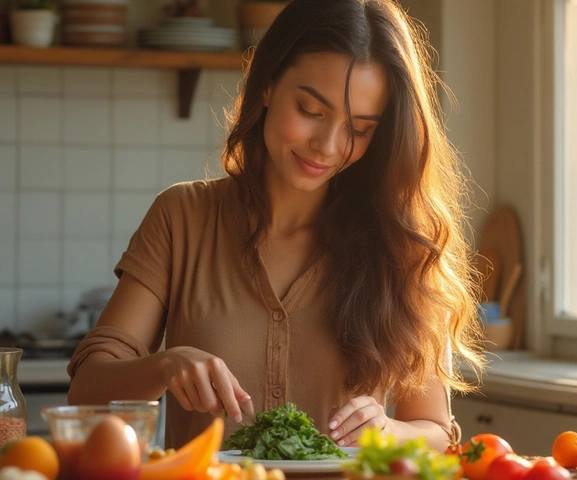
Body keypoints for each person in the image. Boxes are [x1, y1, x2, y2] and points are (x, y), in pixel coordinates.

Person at [67, 0, 486, 453]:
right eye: (310, 109)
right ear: (267, 85)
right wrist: (167, 365)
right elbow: (87, 387)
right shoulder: (182, 218)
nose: (329, 147)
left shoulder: (398, 244)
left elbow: (435, 431)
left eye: (360, 129)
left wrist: (390, 431)